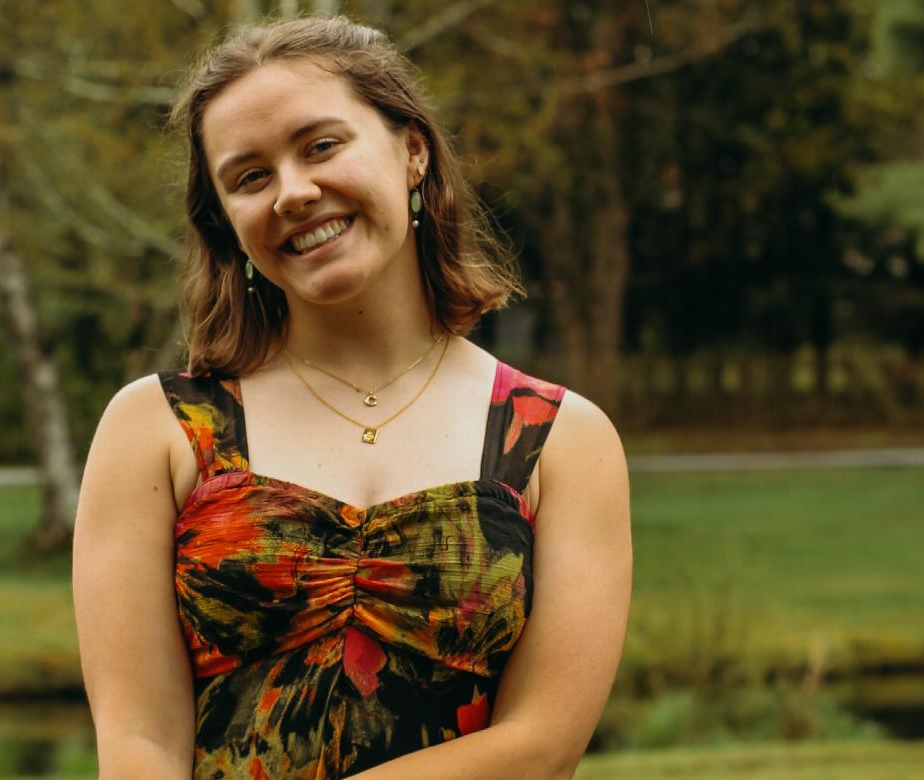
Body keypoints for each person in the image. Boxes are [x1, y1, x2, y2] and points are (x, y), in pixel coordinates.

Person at [72, 15, 630, 780]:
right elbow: (140, 743)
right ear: (226, 223)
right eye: (250, 177)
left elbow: (543, 743)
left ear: (412, 151)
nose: (294, 192)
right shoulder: (156, 428)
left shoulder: (560, 439)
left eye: (321, 146)